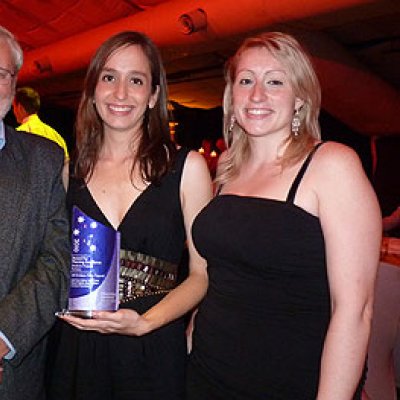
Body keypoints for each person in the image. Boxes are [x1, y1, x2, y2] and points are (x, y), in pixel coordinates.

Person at [186, 32, 382, 400]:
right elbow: (220, 279)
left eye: (275, 82)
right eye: (246, 81)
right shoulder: (227, 167)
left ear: (300, 99)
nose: (257, 94)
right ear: (231, 96)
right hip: (206, 373)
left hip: (290, 382)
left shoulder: (330, 165)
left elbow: (355, 311)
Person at [46, 31, 212, 399]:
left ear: (153, 95)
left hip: (152, 348)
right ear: (92, 90)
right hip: (77, 352)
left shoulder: (187, 168)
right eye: (109, 77)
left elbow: (202, 275)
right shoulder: (68, 173)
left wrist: (143, 324)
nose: (120, 93)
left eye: (135, 80)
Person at [0, 26, 70, 400]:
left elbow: (57, 259)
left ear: (14, 85)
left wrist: (2, 335)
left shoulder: (44, 160)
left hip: (11, 375)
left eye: (0, 73)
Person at [13, 86, 69, 160]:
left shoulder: (18, 136)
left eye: (13, 107)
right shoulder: (56, 136)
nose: (13, 111)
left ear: (20, 108)